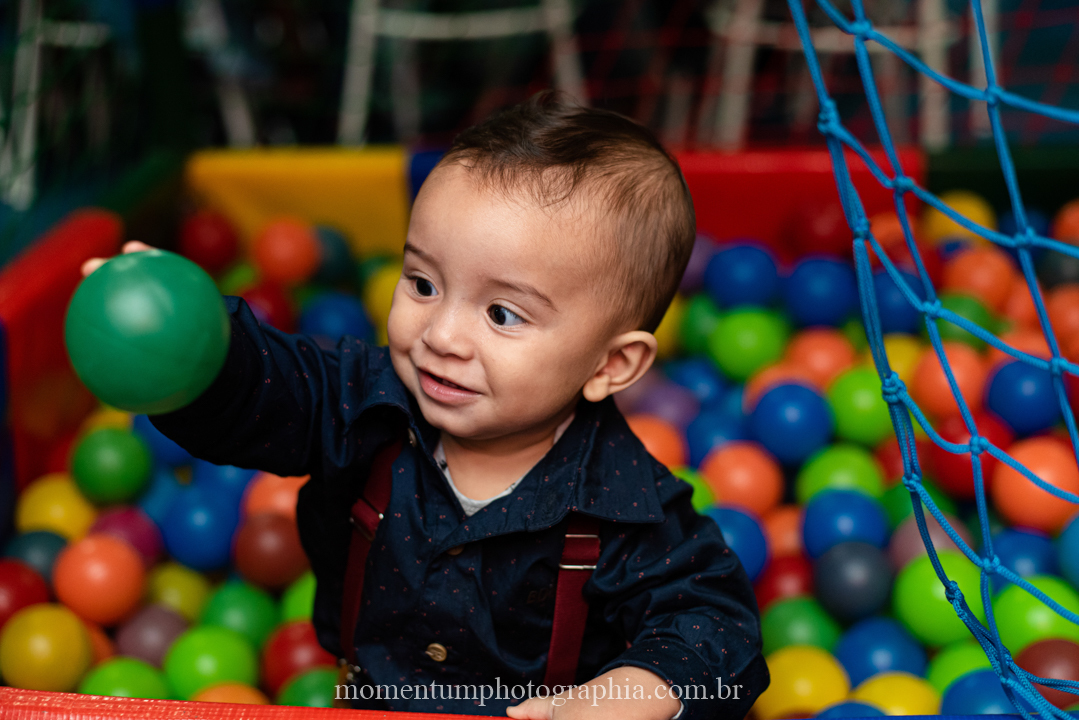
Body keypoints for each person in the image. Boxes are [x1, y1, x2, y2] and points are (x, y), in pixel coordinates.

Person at [88, 92, 768, 719]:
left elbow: (716, 624)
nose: (441, 336)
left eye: (501, 314)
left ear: (609, 365)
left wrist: (628, 696)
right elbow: (271, 385)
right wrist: (193, 339)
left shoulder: (625, 505)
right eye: (422, 282)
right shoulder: (364, 404)